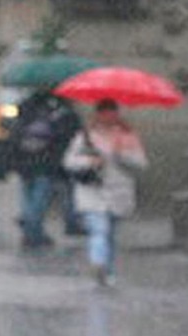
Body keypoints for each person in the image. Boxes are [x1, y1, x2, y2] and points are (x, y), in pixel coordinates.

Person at [62, 98, 148, 287]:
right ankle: (98, 263)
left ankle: (108, 272)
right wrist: (89, 162)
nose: (109, 117)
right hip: (92, 191)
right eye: (104, 113)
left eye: (112, 113)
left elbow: (141, 163)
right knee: (99, 230)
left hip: (119, 192)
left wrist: (120, 155)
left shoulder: (127, 136)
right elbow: (69, 161)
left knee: (110, 234)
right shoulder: (85, 136)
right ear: (98, 114)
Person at [8, 89, 85, 249]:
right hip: (46, 163)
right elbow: (68, 136)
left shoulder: (26, 108)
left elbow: (13, 132)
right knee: (39, 200)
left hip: (24, 161)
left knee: (28, 198)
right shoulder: (61, 111)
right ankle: (33, 234)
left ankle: (31, 231)